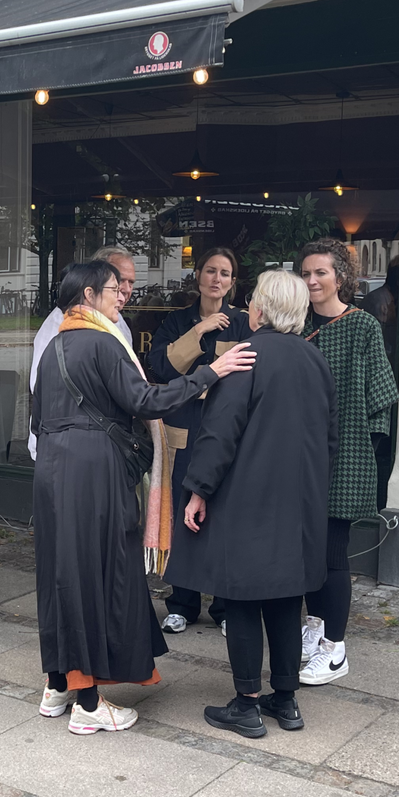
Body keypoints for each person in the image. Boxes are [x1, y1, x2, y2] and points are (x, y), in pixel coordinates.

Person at [32, 260, 255, 734]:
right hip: (93, 473)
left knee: (61, 573)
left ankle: (58, 684)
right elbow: (145, 401)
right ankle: (88, 704)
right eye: (114, 289)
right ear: (89, 295)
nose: (122, 297)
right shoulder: (103, 341)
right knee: (95, 575)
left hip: (52, 471)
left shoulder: (53, 345)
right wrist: (210, 373)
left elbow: (38, 419)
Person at [166, 270, 336, 739]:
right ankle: (286, 699)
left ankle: (246, 704)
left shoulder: (246, 355)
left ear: (259, 309)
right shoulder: (315, 359)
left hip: (246, 497)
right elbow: (330, 438)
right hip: (299, 499)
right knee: (286, 598)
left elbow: (220, 433)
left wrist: (198, 490)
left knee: (240, 596)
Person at [299, 238, 398, 685]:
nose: (312, 280)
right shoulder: (296, 326)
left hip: (346, 455)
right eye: (306, 273)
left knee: (333, 552)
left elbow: (381, 397)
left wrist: (364, 452)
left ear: (340, 277)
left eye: (320, 272)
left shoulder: (362, 326)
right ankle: (316, 627)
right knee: (307, 551)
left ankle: (335, 648)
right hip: (299, 456)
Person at [147, 247, 252, 633]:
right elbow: (161, 367)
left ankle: (224, 608)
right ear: (198, 276)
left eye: (224, 273)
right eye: (210, 271)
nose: (216, 279)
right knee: (180, 515)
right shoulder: (177, 321)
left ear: (232, 282)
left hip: (224, 433)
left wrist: (200, 380)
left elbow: (249, 376)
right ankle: (182, 603)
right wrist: (199, 331)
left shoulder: (243, 323)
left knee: (223, 516)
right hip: (183, 432)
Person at [29, 247, 136, 460]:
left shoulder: (119, 323)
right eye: (117, 282)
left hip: (106, 445)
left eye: (130, 282)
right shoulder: (60, 323)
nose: (124, 289)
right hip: (67, 449)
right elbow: (41, 386)